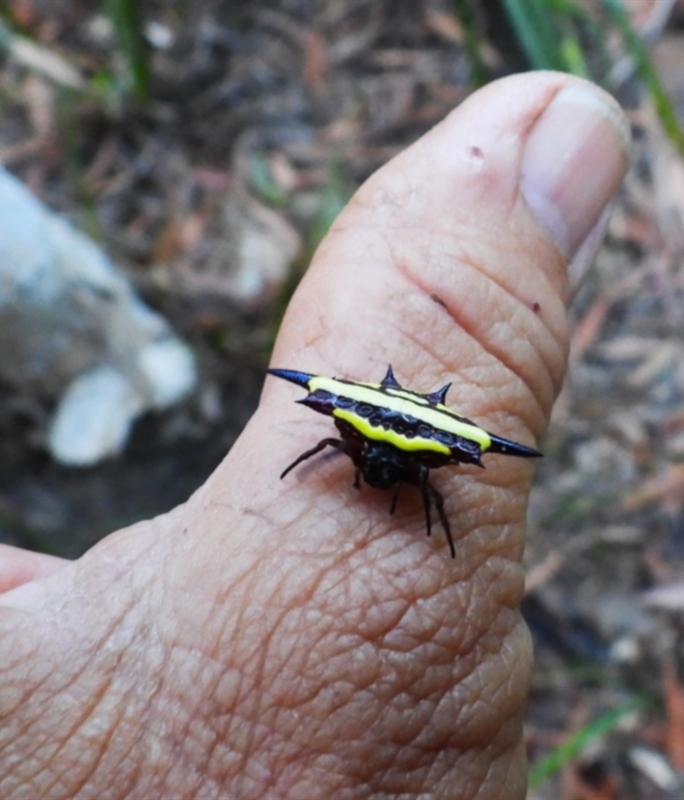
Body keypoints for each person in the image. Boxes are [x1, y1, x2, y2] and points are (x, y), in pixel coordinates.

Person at [0, 72, 629, 799]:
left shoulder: (400, 470)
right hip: (386, 444)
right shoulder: (360, 455)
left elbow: (388, 472)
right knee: (345, 449)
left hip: (401, 445)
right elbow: (336, 448)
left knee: (382, 464)